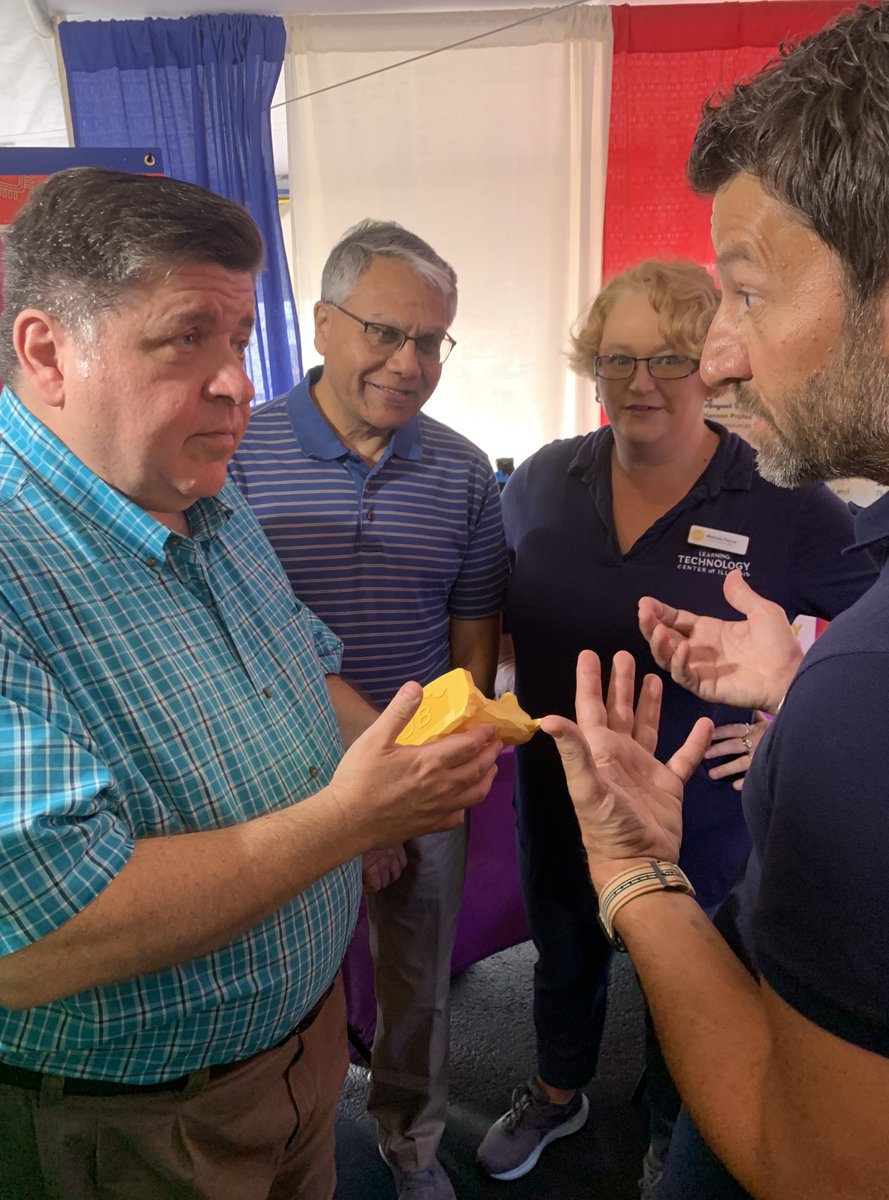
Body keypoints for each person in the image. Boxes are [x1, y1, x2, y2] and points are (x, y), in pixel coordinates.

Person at [0, 168, 503, 1200]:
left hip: (295, 1059)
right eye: (188, 337)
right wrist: (349, 821)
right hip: (140, 1123)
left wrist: (409, 753)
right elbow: (37, 937)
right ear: (48, 352)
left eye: (236, 340)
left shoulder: (206, 499)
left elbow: (306, 667)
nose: (235, 380)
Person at [542, 3, 889, 1196]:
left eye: (744, 297)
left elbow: (818, 1165)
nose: (724, 358)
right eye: (623, 359)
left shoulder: (858, 678)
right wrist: (804, 684)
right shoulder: (541, 482)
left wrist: (636, 871)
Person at [475, 259, 876, 1189]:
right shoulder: (538, 479)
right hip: (561, 789)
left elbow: (876, 624)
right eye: (617, 359)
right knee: (565, 944)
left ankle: (670, 1124)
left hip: (701, 807)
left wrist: (788, 710)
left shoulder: (778, 499)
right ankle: (555, 1085)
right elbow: (492, 611)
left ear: (710, 365)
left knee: (686, 974)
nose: (641, 382)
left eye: (668, 357)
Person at [230, 219, 507, 1200]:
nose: (408, 361)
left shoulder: (467, 472)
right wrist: (348, 802)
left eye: (431, 341)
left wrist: (431, 783)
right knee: (274, 979)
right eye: (385, 332)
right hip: (278, 780)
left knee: (417, 984)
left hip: (421, 772)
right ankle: (279, 1146)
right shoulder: (235, 453)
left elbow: (473, 643)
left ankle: (413, 1144)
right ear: (321, 325)